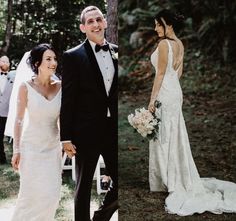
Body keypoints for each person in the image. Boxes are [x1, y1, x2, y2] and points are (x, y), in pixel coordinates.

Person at [148, 9, 236, 216]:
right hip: (175, 91)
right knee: (174, 133)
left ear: (166, 24)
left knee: (163, 135)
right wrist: (173, 92)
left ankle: (167, 179)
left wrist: (152, 100)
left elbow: (160, 74)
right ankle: (176, 174)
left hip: (164, 92)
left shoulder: (163, 45)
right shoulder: (180, 44)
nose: (155, 28)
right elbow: (178, 72)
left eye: (157, 24)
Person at [60, 5, 118, 221]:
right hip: (85, 133)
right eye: (90, 21)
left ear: (105, 22)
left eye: (99, 19)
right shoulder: (73, 56)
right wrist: (65, 137)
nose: (95, 24)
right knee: (83, 189)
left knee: (122, 181)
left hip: (113, 132)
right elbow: (68, 99)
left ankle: (101, 217)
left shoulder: (117, 51)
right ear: (83, 27)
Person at [11, 43, 62, 220]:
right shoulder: (25, 87)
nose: (53, 62)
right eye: (48, 59)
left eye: (54, 58)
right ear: (37, 63)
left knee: (52, 195)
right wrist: (16, 149)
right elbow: (19, 120)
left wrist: (66, 142)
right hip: (30, 147)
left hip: (53, 147)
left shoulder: (61, 87)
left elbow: (64, 119)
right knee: (30, 197)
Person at [0, 55, 14, 164]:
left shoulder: (14, 76)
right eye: (2, 61)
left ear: (9, 64)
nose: (4, 63)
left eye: (6, 61)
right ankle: (2, 158)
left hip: (8, 111)